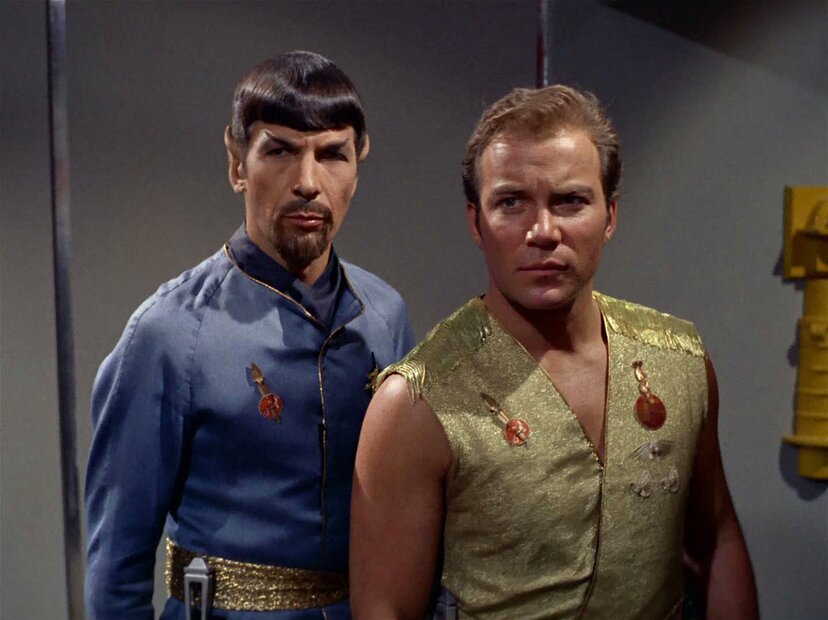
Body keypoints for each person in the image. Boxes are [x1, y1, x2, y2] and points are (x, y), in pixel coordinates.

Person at [350, 85, 758, 619]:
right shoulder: (418, 402)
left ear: (610, 216)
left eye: (570, 201)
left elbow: (716, 538)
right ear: (476, 222)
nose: (543, 232)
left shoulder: (677, 363)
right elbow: (383, 610)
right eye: (511, 202)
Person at [85, 51, 414, 620]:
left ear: (357, 165)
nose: (308, 182)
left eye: (332, 154)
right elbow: (116, 566)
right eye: (280, 151)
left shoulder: (384, 315)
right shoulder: (169, 333)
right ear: (238, 162)